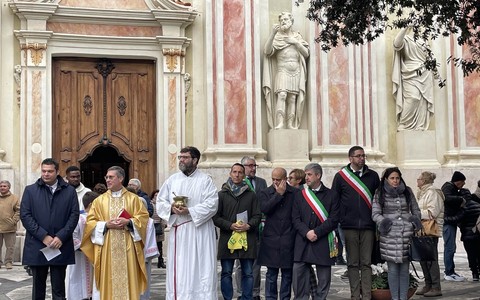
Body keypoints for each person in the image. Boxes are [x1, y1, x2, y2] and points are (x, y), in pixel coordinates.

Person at [156, 146, 219, 300]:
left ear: (195, 160)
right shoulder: (173, 180)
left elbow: (212, 204)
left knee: (201, 269)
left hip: (200, 232)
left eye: (185, 157)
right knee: (180, 270)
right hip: (180, 232)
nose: (181, 160)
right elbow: (160, 201)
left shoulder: (205, 180)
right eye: (180, 157)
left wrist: (189, 211)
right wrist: (171, 209)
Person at [81, 166, 149, 299]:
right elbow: (90, 222)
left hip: (128, 248)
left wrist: (128, 222)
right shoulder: (99, 201)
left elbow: (143, 219)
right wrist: (105, 224)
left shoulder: (133, 199)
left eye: (111, 177)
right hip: (107, 248)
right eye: (107, 177)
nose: (107, 180)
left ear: (121, 178)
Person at [20, 158, 80, 300]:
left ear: (57, 172)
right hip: (38, 244)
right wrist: (43, 236)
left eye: (50, 171)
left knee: (59, 288)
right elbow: (25, 215)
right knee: (38, 288)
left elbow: (74, 216)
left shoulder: (69, 191)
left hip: (61, 245)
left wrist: (60, 237)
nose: (46, 174)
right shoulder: (30, 190)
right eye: (43, 171)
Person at [331, 145, 380, 300]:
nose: (362, 158)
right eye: (358, 156)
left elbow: (378, 200)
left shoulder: (373, 176)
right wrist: (340, 219)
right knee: (352, 263)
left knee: (366, 263)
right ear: (350, 158)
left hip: (368, 226)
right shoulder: (340, 177)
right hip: (348, 226)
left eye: (363, 155)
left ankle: (366, 295)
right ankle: (354, 295)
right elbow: (335, 200)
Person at [213, 163, 261, 300]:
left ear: (244, 175)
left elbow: (257, 215)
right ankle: (227, 298)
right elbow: (216, 217)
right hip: (228, 239)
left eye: (240, 172)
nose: (237, 174)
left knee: (248, 273)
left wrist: (249, 225)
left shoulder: (251, 195)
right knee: (226, 272)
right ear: (230, 174)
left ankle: (247, 297)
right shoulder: (221, 195)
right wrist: (229, 225)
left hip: (247, 239)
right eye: (234, 172)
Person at [372, 167, 422, 300]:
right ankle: (395, 298)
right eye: (392, 178)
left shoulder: (407, 191)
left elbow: (416, 210)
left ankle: (403, 298)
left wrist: (413, 223)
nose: (395, 181)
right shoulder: (380, 193)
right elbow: (375, 214)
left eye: (397, 178)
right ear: (386, 179)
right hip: (389, 237)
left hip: (406, 235)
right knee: (393, 270)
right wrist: (385, 223)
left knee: (405, 270)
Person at [291, 163, 339, 300]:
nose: (306, 177)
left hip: (323, 240)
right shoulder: (300, 195)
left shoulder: (332, 195)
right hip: (303, 240)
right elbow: (295, 218)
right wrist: (307, 232)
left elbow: (333, 219)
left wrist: (316, 232)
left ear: (318, 175)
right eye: (305, 174)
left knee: (324, 279)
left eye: (309, 174)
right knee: (299, 274)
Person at [263, 11, 309, 129]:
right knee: (282, 95)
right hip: (282, 70)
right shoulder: (278, 37)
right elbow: (267, 51)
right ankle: (280, 123)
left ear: (291, 21)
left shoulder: (297, 37)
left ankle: (290, 124)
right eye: (281, 20)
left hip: (296, 71)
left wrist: (296, 43)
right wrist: (272, 34)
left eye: (286, 20)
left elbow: (306, 53)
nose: (283, 22)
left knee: (292, 98)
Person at [257, 168, 296, 300]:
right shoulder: (265, 192)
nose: (275, 182)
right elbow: (265, 209)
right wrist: (278, 195)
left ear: (285, 179)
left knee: (287, 273)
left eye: (278, 180)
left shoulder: (295, 193)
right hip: (271, 239)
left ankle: (285, 298)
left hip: (288, 238)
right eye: (273, 179)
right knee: (271, 274)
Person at [235, 156, 267, 300]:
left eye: (255, 166)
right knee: (241, 264)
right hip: (240, 228)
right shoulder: (235, 183)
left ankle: (254, 293)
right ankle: (242, 292)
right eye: (250, 166)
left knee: (255, 263)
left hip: (256, 227)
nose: (253, 168)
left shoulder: (261, 182)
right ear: (243, 167)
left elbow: (264, 202)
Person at [392, 27, 434, 131]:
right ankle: (405, 123)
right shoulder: (406, 39)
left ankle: (419, 125)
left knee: (423, 102)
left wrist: (435, 71)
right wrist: (404, 28)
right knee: (413, 97)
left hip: (425, 74)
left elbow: (430, 59)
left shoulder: (424, 42)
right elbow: (397, 45)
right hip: (410, 72)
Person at [415, 171, 444, 297]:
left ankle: (436, 286)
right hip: (422, 230)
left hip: (430, 230)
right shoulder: (423, 193)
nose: (417, 181)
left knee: (431, 259)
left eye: (419, 179)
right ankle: (428, 284)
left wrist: (416, 213)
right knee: (423, 259)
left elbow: (433, 212)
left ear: (424, 181)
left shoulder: (433, 192)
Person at [67, 191, 99, 300]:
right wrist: (84, 247)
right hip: (78, 256)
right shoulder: (78, 219)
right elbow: (72, 236)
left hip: (93, 257)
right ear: (91, 205)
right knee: (77, 280)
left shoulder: (98, 219)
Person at [441, 171, 467, 281]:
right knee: (450, 247)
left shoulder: (451, 188)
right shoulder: (448, 187)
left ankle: (450, 271)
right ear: (458, 181)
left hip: (450, 221)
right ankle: (449, 272)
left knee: (451, 247)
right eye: (463, 182)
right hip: (448, 222)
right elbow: (446, 198)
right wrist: (461, 199)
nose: (463, 185)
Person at [458, 188, 480, 281]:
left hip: (467, 235)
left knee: (471, 255)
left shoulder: (462, 207)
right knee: (479, 253)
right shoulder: (478, 205)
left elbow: (459, 221)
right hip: (478, 234)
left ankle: (474, 273)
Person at [0, 180, 20, 270]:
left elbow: (18, 211)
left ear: (9, 187)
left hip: (9, 227)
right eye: (1, 186)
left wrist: (13, 221)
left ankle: (8, 262)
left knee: (10, 247)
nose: (2, 188)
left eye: (4, 186)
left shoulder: (14, 198)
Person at [150, 189, 167, 268]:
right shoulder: (150, 204)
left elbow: (164, 215)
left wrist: (164, 224)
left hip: (159, 227)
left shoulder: (161, 205)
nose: (157, 197)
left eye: (158, 195)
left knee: (160, 245)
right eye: (155, 195)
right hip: (151, 227)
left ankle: (160, 261)